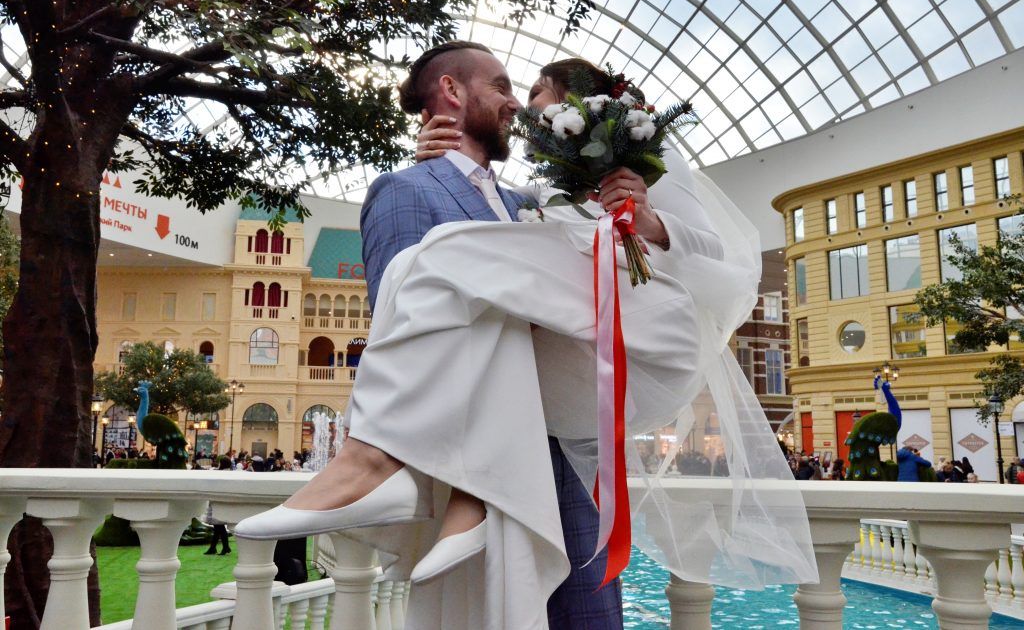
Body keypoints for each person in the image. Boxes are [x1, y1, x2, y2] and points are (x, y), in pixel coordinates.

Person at [237, 45, 816, 628]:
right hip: (477, 458)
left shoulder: (528, 202)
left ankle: (373, 460)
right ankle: (381, 462)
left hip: (561, 451)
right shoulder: (406, 189)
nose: (516, 102)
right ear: (452, 92)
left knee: (587, 613)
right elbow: (395, 313)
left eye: (523, 90)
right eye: (501, 86)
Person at [204, 456, 233, 555]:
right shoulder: (228, 473)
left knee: (219, 526)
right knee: (218, 527)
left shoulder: (221, 473)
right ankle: (215, 548)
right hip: (221, 501)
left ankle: (224, 547)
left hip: (218, 501)